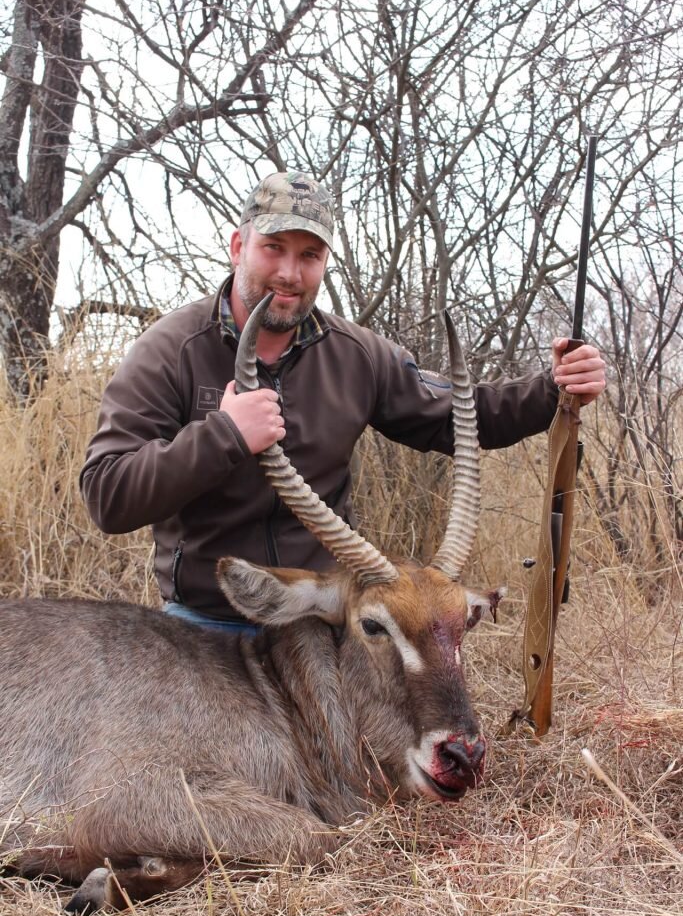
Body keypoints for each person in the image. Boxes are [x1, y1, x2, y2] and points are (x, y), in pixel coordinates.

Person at [80, 171, 606, 630]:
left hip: (322, 617)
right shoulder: (171, 348)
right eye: (274, 249)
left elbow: (460, 415)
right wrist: (226, 435)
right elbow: (109, 494)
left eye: (309, 255)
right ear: (238, 247)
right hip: (207, 621)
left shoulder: (355, 354)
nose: (290, 273)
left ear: (325, 261)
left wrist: (553, 386)